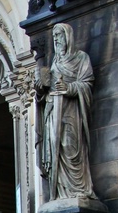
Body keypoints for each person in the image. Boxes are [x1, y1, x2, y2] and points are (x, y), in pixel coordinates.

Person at [36, 22, 95, 200]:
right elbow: (45, 90)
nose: (56, 39)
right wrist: (40, 89)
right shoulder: (55, 62)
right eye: (54, 36)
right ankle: (61, 193)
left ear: (68, 36)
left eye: (59, 35)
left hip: (70, 112)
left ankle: (77, 190)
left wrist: (68, 88)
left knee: (70, 146)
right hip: (53, 111)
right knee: (55, 150)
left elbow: (87, 83)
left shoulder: (81, 58)